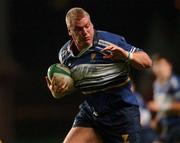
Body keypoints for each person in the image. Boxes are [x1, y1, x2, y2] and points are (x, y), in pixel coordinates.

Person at [46, 7, 152, 143]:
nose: (85, 32)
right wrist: (60, 91)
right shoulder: (65, 55)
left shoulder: (110, 41)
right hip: (92, 113)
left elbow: (147, 61)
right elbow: (80, 81)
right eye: (79, 29)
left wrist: (126, 55)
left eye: (87, 26)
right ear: (69, 31)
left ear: (92, 24)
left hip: (121, 113)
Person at [148, 54, 180, 143]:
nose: (160, 69)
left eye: (163, 65)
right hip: (166, 128)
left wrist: (161, 106)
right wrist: (156, 120)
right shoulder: (156, 85)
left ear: (169, 66)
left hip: (177, 127)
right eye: (158, 66)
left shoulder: (175, 82)